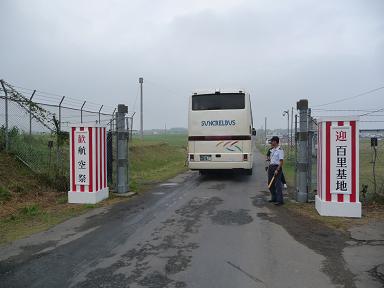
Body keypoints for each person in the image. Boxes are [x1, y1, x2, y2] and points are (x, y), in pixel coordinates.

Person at [267, 136, 284, 206]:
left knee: (277, 185)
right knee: (270, 184)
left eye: (272, 141)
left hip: (277, 168)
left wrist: (277, 170)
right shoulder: (272, 150)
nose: (271, 142)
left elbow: (281, 162)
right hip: (271, 167)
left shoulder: (280, 150)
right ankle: (274, 197)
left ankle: (280, 200)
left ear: (275, 142)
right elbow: (271, 159)